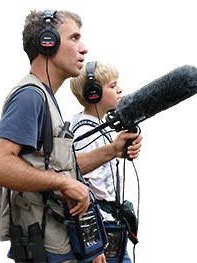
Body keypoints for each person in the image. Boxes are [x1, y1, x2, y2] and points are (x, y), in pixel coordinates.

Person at [0, 10, 141, 263]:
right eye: (74, 38)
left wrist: (113, 150)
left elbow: (60, 169)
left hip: (63, 247)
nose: (84, 49)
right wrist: (63, 184)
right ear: (47, 42)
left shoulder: (47, 99)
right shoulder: (30, 96)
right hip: (48, 251)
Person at [70, 61, 143, 263]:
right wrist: (92, 247)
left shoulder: (99, 127)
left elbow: (100, 168)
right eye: (112, 86)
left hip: (111, 228)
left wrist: (121, 152)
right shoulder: (85, 131)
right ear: (93, 93)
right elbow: (79, 185)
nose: (120, 89)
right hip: (100, 232)